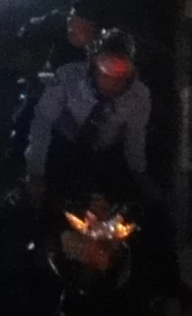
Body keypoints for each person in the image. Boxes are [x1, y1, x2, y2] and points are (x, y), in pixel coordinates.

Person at [25, 29, 153, 205]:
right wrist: (36, 174)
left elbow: (135, 138)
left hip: (103, 156)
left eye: (121, 71)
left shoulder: (139, 96)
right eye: (106, 69)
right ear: (93, 63)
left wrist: (139, 174)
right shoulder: (67, 77)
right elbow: (42, 124)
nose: (112, 80)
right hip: (62, 149)